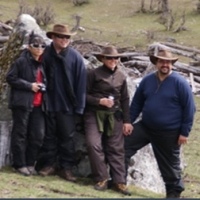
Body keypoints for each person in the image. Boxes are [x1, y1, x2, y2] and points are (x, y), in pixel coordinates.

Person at [125, 49, 196, 198]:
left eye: (168, 62)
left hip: (169, 131)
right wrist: (129, 122)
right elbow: (137, 103)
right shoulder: (148, 80)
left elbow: (190, 109)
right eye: (162, 61)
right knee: (122, 145)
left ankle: (174, 192)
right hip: (146, 127)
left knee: (170, 165)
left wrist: (184, 132)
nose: (165, 65)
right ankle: (118, 180)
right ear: (156, 63)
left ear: (172, 64)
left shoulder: (180, 83)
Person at [35, 24, 87, 182]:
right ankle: (48, 165)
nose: (65, 40)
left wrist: (80, 106)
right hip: (48, 102)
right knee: (48, 136)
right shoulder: (44, 54)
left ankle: (67, 168)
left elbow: (81, 83)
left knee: (67, 138)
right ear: (53, 37)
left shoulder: (75, 57)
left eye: (67, 37)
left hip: (67, 105)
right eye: (61, 37)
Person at [84, 46, 133, 195]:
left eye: (116, 58)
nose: (113, 61)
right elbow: (83, 96)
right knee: (93, 144)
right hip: (93, 113)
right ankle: (101, 178)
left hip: (115, 115)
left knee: (116, 148)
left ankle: (119, 182)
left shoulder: (122, 77)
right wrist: (100, 101)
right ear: (103, 59)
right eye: (110, 58)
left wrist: (127, 121)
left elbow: (125, 99)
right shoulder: (93, 74)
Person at [6, 32, 46, 176]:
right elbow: (10, 78)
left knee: (38, 135)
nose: (39, 48)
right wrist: (29, 86)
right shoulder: (21, 61)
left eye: (43, 46)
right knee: (20, 134)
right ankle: (19, 164)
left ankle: (30, 163)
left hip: (39, 105)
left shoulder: (43, 64)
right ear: (29, 47)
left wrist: (43, 86)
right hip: (22, 103)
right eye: (36, 45)